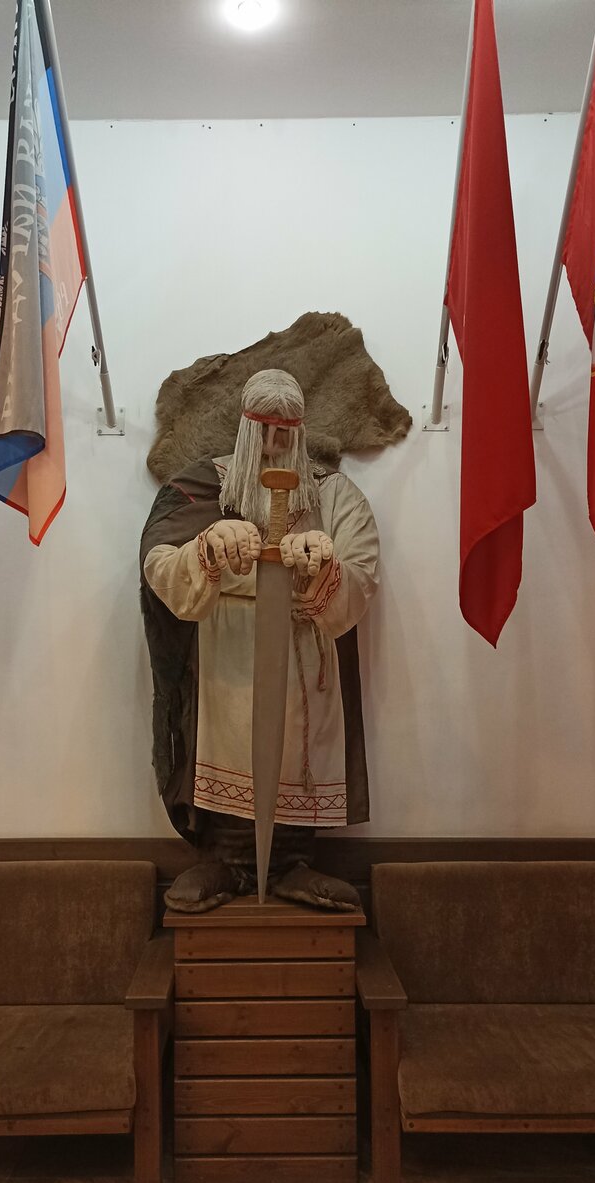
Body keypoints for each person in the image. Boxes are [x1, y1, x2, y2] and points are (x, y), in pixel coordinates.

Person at [140, 369, 379, 911]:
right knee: (227, 745)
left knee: (296, 756)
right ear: (245, 426)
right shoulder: (203, 485)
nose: (274, 444)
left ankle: (291, 864)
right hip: (225, 656)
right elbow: (159, 564)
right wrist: (207, 547)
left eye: (285, 431)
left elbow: (361, 575)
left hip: (304, 656)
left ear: (301, 429)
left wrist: (324, 566)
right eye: (264, 429)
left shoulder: (334, 495)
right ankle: (226, 862)